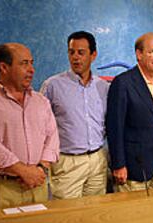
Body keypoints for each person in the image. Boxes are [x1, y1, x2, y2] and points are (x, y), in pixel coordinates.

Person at [0, 43, 59, 208]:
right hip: (2, 188)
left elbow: (52, 137)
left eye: (32, 63)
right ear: (4, 67)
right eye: (24, 63)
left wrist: (39, 169)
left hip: (37, 184)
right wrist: (24, 172)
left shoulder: (41, 102)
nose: (31, 69)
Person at [41, 31, 109, 199]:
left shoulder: (103, 87)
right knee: (66, 218)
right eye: (71, 52)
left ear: (93, 55)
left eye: (81, 52)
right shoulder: (52, 86)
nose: (75, 58)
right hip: (67, 162)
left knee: (95, 214)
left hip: (97, 160)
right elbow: (39, 126)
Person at [106, 32, 153, 192]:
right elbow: (115, 128)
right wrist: (119, 164)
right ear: (139, 54)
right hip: (133, 168)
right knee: (133, 215)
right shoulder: (123, 83)